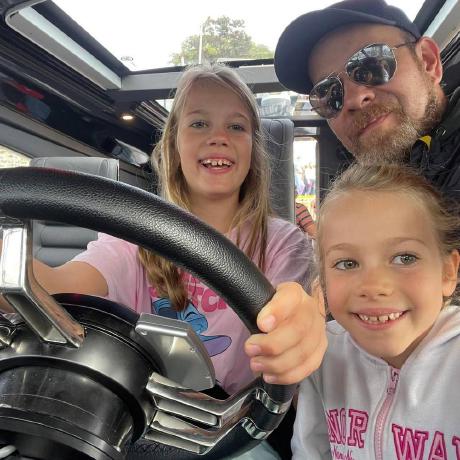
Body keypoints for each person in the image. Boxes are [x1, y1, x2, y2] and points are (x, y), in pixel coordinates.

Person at [0, 64, 327, 459]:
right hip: (135, 418)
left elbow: (294, 308)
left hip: (231, 429)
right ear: (173, 145)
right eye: (199, 124)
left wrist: (301, 324)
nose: (219, 137)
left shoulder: (282, 243)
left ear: (254, 150)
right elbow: (58, 288)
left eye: (236, 127)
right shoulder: (135, 236)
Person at [291, 163, 460, 458]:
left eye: (405, 258)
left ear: (448, 272)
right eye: (347, 263)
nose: (373, 287)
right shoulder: (325, 353)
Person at [274, 0, 460, 203]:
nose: (353, 100)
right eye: (329, 93)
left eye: (372, 67)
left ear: (428, 61)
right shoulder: (363, 199)